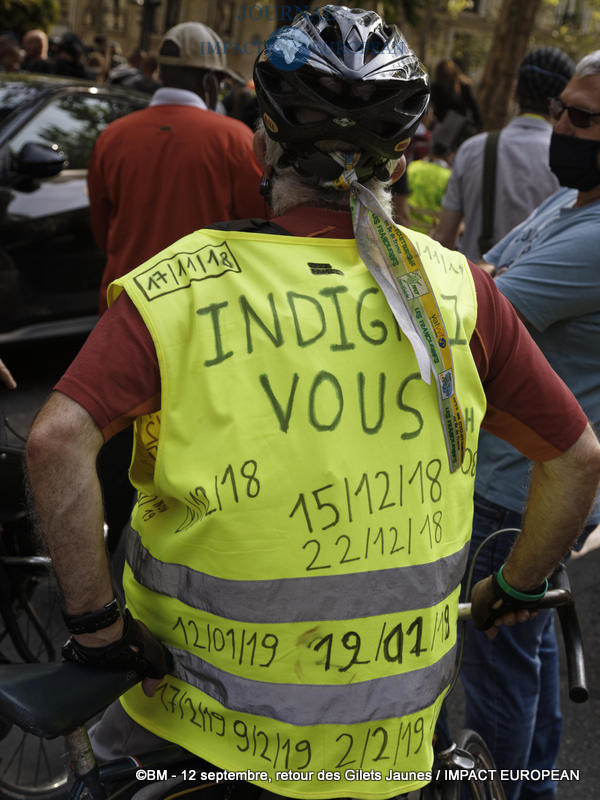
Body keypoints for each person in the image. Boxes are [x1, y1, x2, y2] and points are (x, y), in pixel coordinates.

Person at [25, 8, 600, 800]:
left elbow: (55, 442)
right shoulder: (460, 293)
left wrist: (96, 632)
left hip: (196, 735)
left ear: (262, 142)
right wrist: (517, 589)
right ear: (398, 163)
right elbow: (575, 459)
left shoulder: (178, 286)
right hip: (388, 751)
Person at [459, 49, 600, 800]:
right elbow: (485, 269)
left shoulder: (596, 233)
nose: (561, 125)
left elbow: (480, 307)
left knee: (499, 667)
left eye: (582, 118)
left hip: (518, 487)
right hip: (529, 480)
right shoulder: (572, 199)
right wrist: (484, 279)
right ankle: (535, 788)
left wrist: (483, 281)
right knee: (529, 646)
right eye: (562, 110)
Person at [87, 21, 264, 555]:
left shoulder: (112, 137)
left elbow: (103, 232)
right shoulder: (235, 140)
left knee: (118, 466)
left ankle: (100, 568)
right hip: (205, 339)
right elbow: (262, 240)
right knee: (194, 466)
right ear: (212, 83)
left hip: (122, 327)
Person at [434, 47, 575, 261]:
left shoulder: (473, 150)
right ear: (561, 103)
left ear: (515, 90)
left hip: (472, 290)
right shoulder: (571, 161)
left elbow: (444, 238)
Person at [430, 58, 482, 137]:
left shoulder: (463, 87)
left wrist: (478, 125)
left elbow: (473, 107)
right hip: (449, 128)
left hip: (453, 128)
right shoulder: (436, 88)